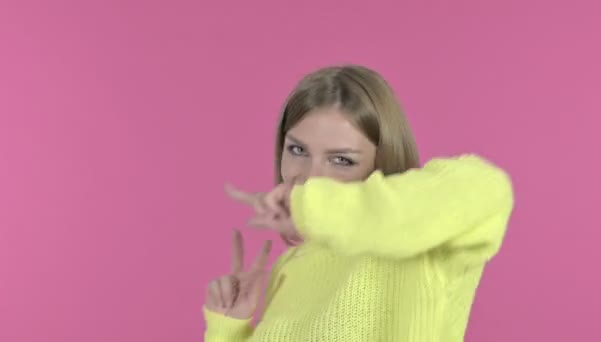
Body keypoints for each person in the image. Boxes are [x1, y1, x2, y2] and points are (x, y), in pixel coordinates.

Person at [202, 64, 514, 341]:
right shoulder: (292, 265)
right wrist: (229, 329)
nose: (310, 178)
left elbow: (489, 186)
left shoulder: (426, 242)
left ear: (383, 158)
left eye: (341, 159)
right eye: (298, 151)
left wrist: (318, 208)